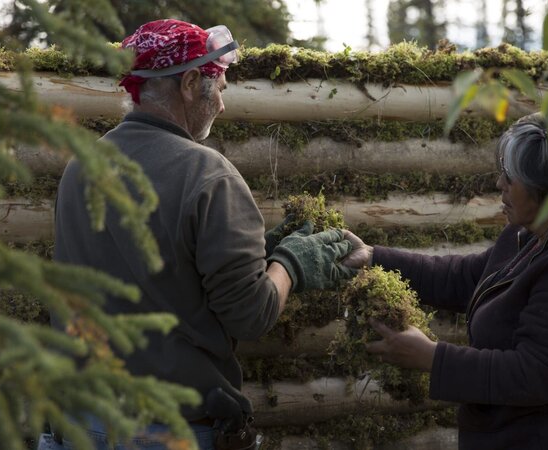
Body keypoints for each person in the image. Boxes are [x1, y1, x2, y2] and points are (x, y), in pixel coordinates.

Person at [39, 19, 353, 450]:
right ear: (189, 83)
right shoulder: (209, 176)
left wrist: (252, 256)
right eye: (219, 86)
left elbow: (159, 271)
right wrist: (291, 263)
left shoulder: (80, 167)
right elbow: (250, 314)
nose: (222, 105)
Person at [342, 114, 548, 449]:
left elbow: (536, 374)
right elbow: (466, 277)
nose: (500, 184)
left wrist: (432, 358)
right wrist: (374, 257)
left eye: (511, 177)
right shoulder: (531, 236)